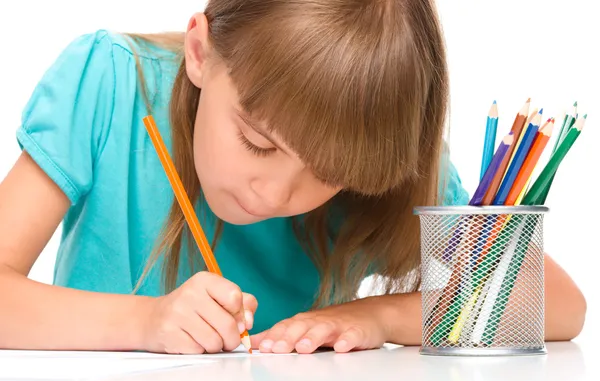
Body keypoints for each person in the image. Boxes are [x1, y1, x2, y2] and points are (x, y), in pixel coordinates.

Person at [0, 0, 586, 355]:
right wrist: (146, 323)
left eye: (329, 174)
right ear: (202, 53)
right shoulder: (111, 84)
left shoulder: (375, 156)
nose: (276, 193)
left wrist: (375, 317)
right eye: (258, 141)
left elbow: (558, 305)